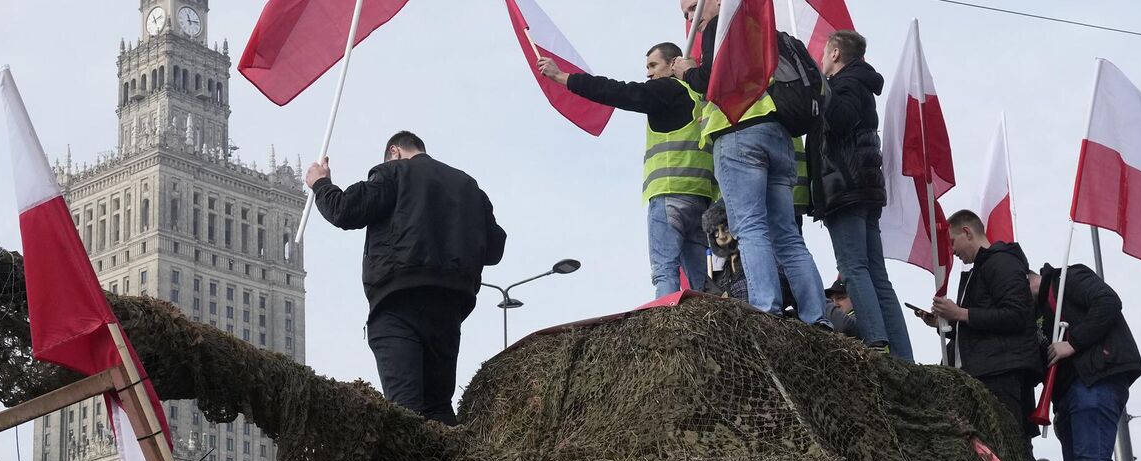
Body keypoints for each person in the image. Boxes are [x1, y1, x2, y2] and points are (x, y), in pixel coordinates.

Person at [307, 131, 506, 425]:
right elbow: (494, 248)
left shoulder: (393, 173)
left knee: (405, 412)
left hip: (399, 300)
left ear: (395, 151)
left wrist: (320, 183)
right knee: (438, 406)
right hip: (450, 305)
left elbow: (345, 210)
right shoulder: (468, 186)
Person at [676, 0, 826, 323]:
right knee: (786, 236)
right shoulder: (763, 29)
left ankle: (765, 311)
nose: (691, 18)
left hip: (737, 135)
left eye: (692, 8)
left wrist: (685, 71)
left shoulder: (723, 27)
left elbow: (710, 80)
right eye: (687, 13)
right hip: (776, 134)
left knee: (749, 227)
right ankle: (818, 316)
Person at [539, 43, 715, 298]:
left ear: (674, 62)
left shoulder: (666, 90)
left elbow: (617, 91)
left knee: (665, 272)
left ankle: (665, 332)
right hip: (700, 200)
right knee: (698, 280)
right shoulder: (699, 98)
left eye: (653, 66)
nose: (649, 74)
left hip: (668, 195)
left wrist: (563, 77)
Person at [920, 210, 1049, 461]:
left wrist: (960, 313)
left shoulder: (1000, 262)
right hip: (990, 368)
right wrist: (946, 324)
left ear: (967, 232)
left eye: (952, 241)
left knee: (1012, 445)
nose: (951, 250)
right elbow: (986, 325)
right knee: (1003, 445)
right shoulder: (982, 270)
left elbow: (1017, 315)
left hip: (1002, 371)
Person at [813, 30, 912, 360]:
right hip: (865, 189)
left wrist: (819, 89)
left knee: (854, 268)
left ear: (837, 53)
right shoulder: (861, 84)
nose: (822, 61)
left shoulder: (846, 84)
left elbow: (839, 121)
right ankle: (900, 353)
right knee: (875, 272)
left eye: (825, 54)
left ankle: (876, 344)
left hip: (846, 189)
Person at [1030, 263, 1141, 461]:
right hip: (1068, 395)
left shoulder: (1068, 277)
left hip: (1095, 378)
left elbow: (1108, 302)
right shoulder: (1035, 316)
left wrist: (1074, 342)